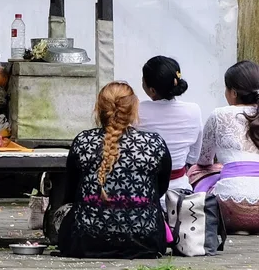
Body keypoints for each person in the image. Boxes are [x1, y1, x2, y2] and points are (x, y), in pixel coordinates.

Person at [47, 81, 173, 258]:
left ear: (98, 109)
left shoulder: (84, 141)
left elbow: (72, 192)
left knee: (63, 210)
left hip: (85, 241)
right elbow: (160, 188)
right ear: (134, 109)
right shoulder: (154, 143)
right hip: (147, 240)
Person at [188, 60, 259, 233]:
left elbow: (203, 160)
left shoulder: (220, 115)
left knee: (195, 171)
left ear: (233, 92)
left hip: (232, 211)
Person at [138, 56, 204, 189]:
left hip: (145, 190)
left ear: (152, 90)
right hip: (180, 191)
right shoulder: (194, 110)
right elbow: (193, 158)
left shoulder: (137, 110)